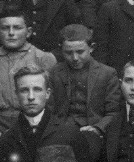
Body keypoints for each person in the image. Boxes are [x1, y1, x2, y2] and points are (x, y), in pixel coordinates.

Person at [0, 11, 58, 145]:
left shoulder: (44, 59)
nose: (11, 33)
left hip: (35, 123)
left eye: (17, 28)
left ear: (28, 32)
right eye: (5, 28)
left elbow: (54, 101)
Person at [48, 25, 121, 153]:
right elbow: (49, 109)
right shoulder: (54, 73)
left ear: (91, 48)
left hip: (95, 133)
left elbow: (114, 112)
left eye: (80, 52)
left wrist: (98, 128)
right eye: (68, 53)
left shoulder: (107, 73)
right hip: (61, 133)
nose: (75, 58)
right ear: (61, 50)